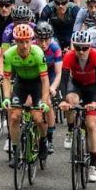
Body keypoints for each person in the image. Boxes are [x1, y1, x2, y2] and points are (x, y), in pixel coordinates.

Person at [1, 24, 50, 165]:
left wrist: (44, 101)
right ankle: (16, 151)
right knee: (15, 116)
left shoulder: (38, 53)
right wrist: (6, 98)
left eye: (27, 41)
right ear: (15, 41)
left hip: (37, 84)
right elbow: (6, 78)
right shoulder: (9, 54)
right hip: (21, 83)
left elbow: (45, 80)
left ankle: (43, 141)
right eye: (21, 42)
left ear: (31, 40)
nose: (24, 45)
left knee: (38, 117)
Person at [59, 30, 96, 183]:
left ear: (90, 47)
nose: (81, 51)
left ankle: (92, 164)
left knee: (91, 125)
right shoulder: (69, 56)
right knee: (70, 100)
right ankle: (72, 130)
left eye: (85, 48)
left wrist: (95, 102)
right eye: (78, 48)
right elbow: (64, 80)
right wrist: (64, 100)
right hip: (77, 85)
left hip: (92, 88)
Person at [34, 21, 63, 153]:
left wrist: (53, 87)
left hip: (50, 76)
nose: (44, 43)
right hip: (35, 75)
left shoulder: (55, 48)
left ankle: (49, 138)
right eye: (41, 40)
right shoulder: (32, 46)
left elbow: (58, 73)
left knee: (48, 103)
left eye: (46, 40)